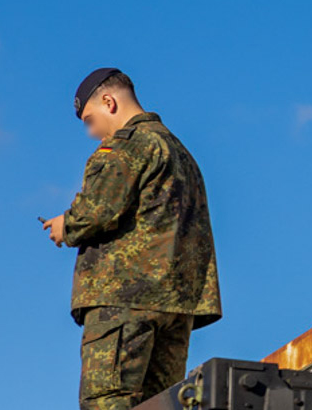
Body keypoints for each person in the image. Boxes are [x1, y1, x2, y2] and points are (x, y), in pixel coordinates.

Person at [41, 68, 221, 409]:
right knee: (160, 405)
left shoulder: (128, 145)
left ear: (109, 102)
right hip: (176, 305)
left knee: (107, 401)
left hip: (126, 301)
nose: (92, 133)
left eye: (90, 121)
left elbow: (97, 210)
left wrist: (67, 224)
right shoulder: (181, 154)